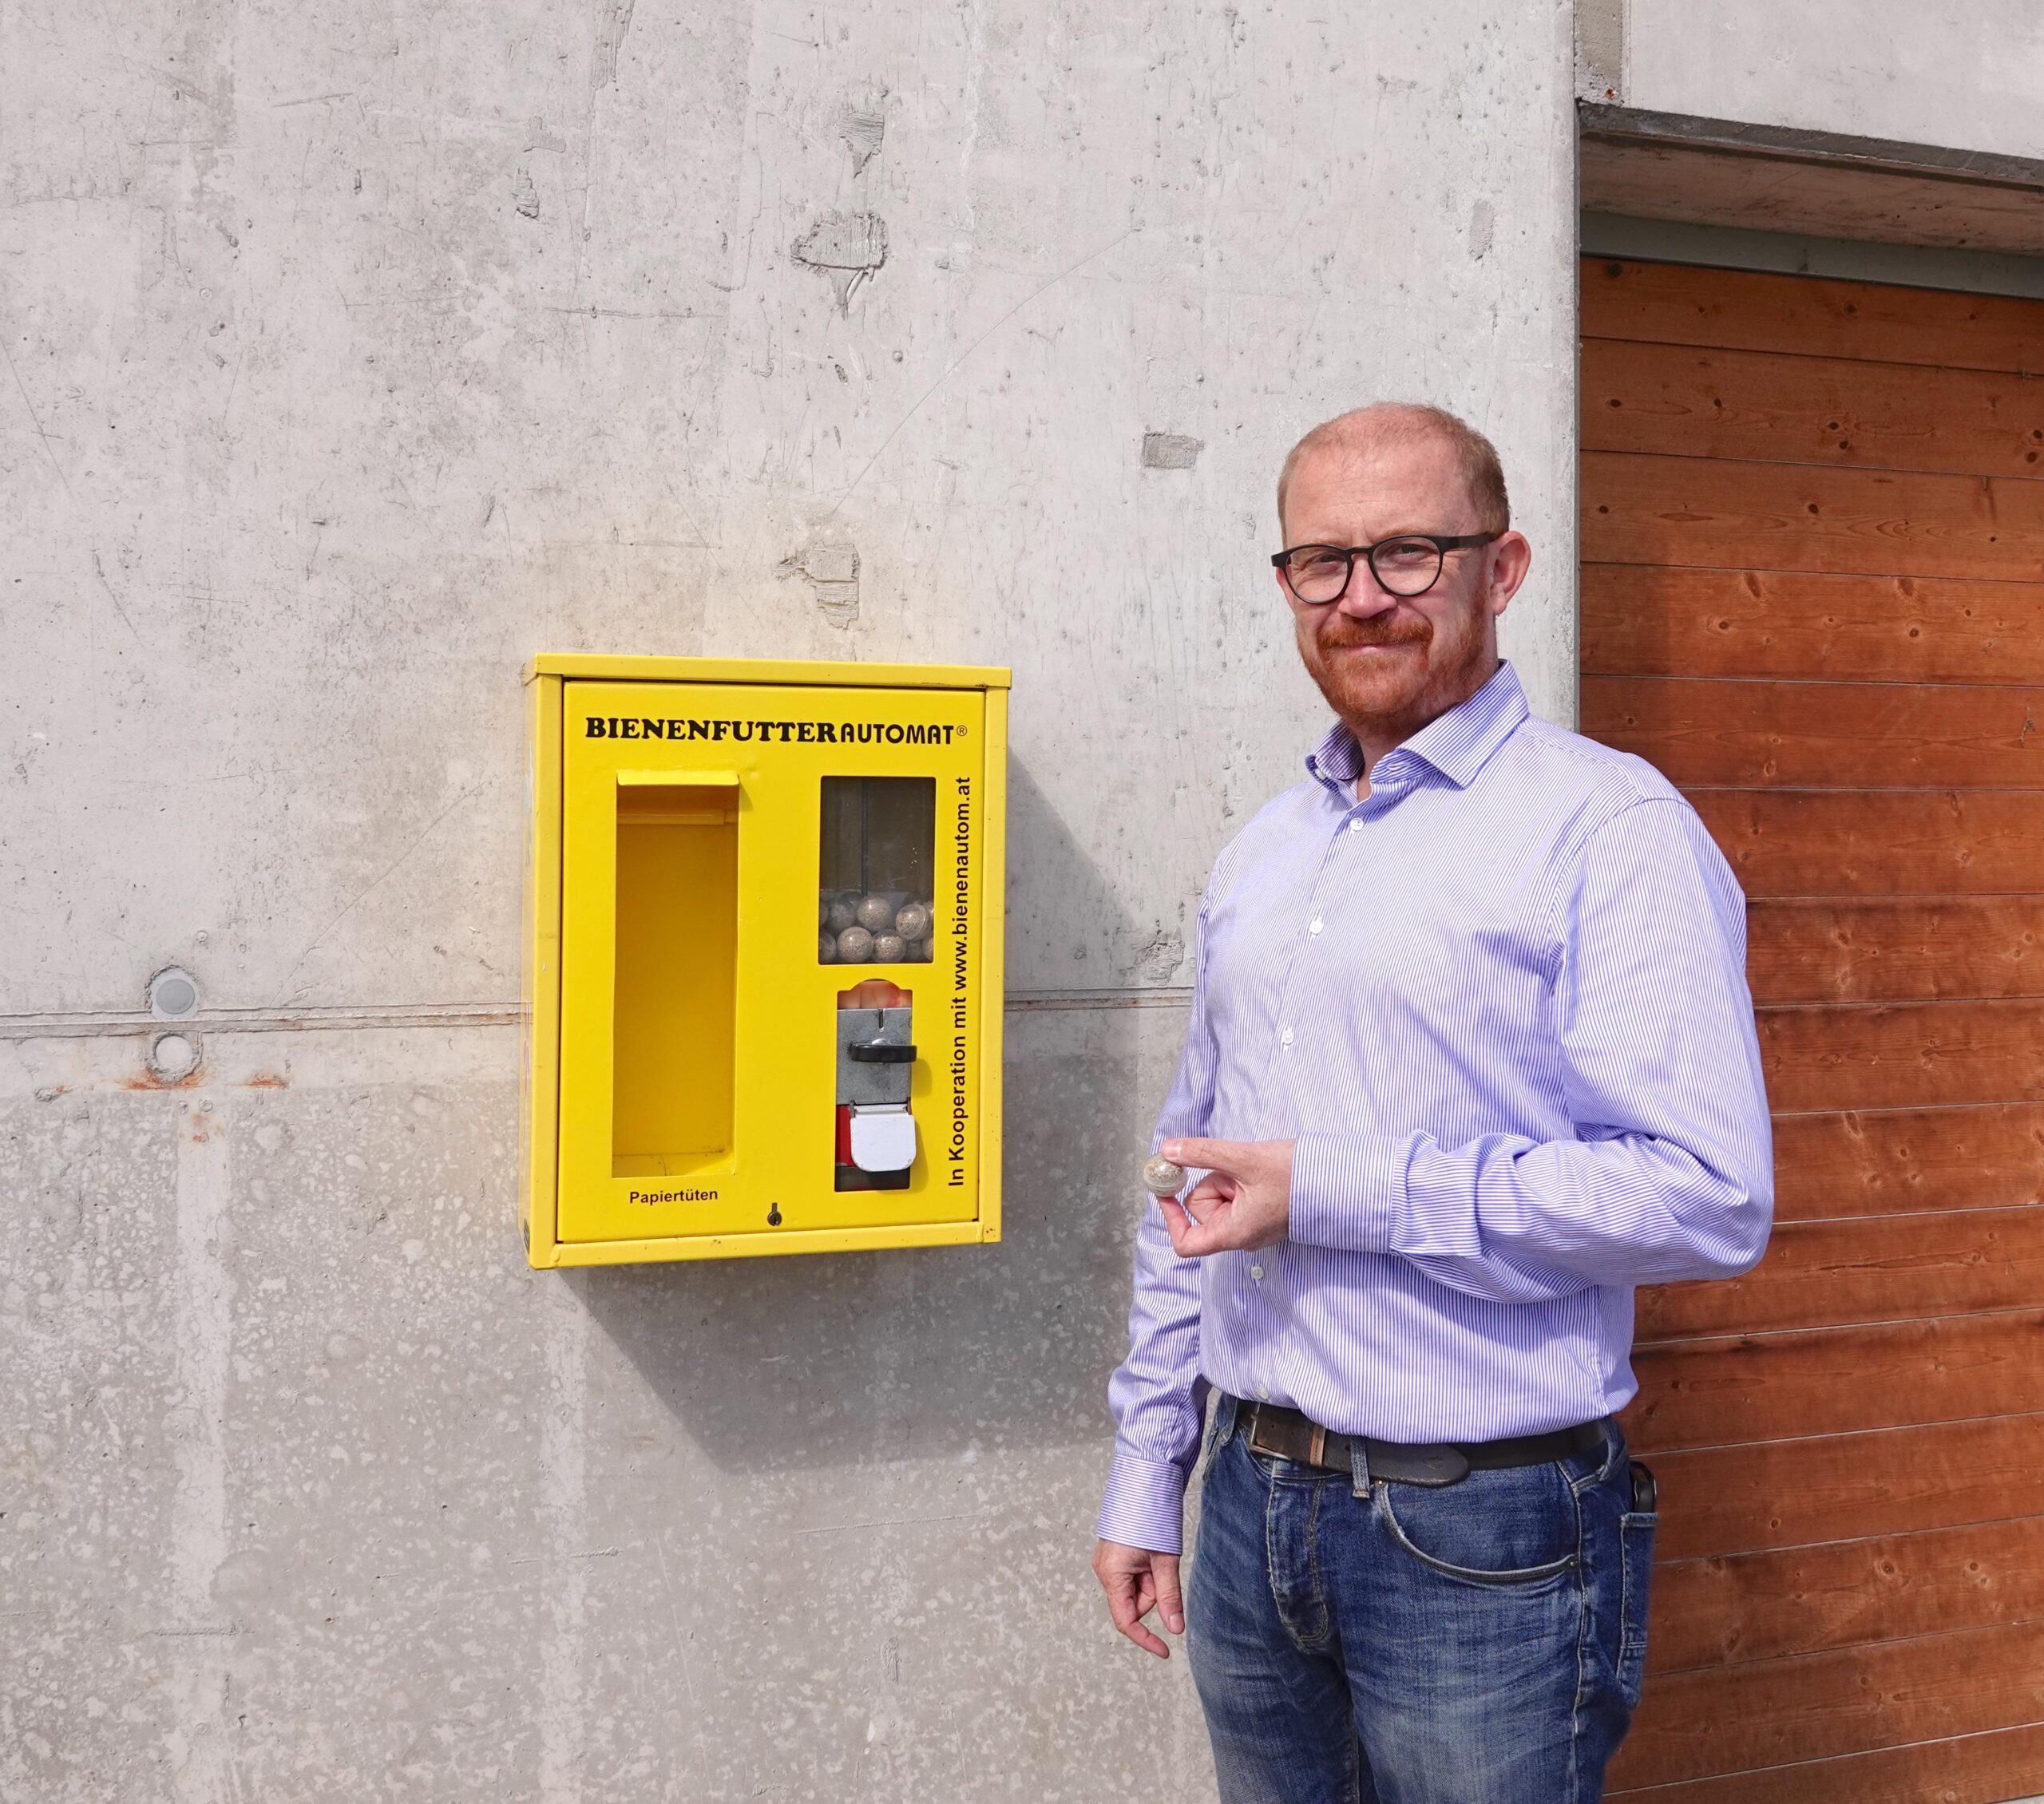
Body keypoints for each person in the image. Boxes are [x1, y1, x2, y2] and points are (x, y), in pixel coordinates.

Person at [1091, 403, 1773, 1802]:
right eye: (1322, 563)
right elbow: (1190, 1182)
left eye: (1408, 553)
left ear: (1502, 567)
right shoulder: (1267, 850)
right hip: (1248, 1503)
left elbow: (1706, 1195)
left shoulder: (1609, 831)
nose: (1361, 600)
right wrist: (1147, 1466)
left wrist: (1339, 1187)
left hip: (1484, 1538)